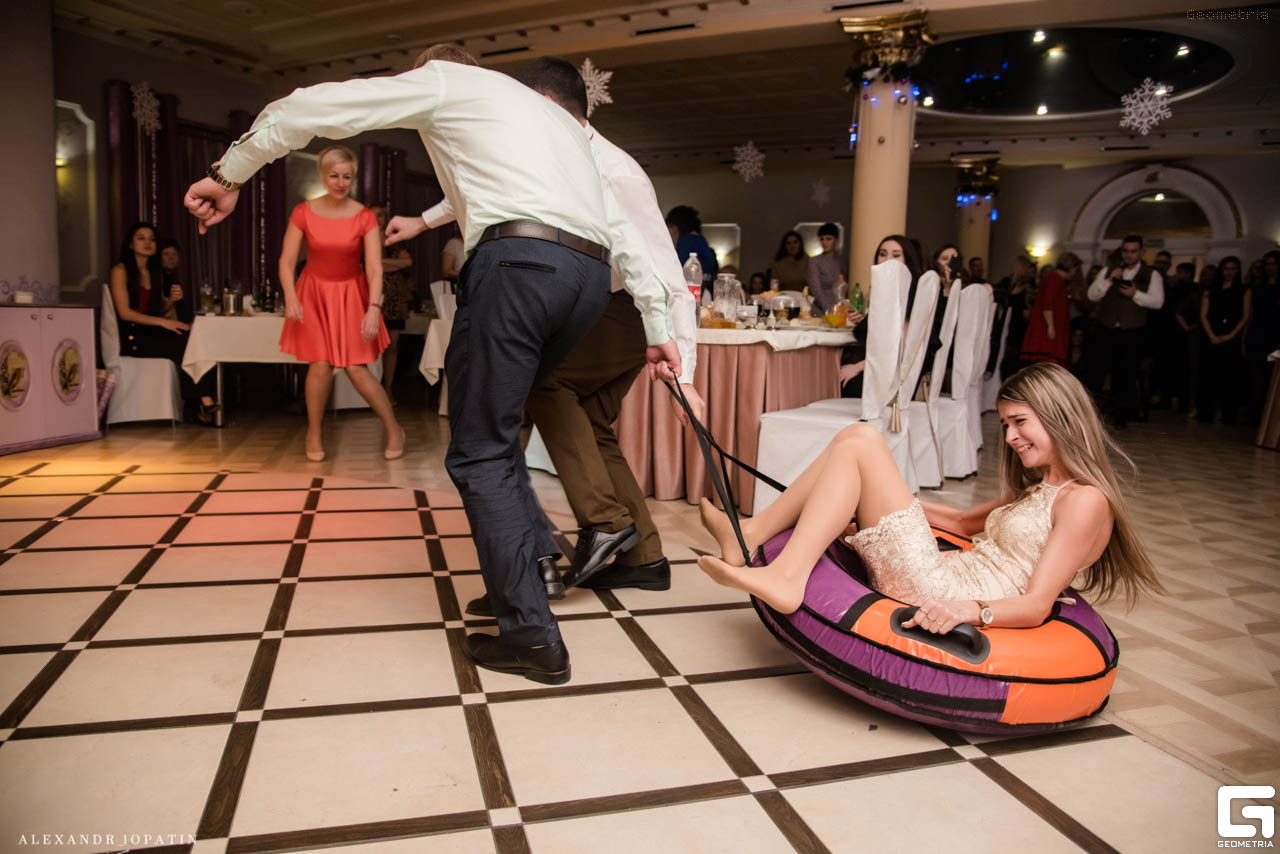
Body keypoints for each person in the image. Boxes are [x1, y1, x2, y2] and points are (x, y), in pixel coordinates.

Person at [187, 43, 682, 685]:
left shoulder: (446, 82)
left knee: (481, 451)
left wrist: (227, 175)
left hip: (520, 266)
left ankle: (532, 636)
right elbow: (623, 231)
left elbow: (309, 107)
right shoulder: (554, 121)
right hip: (587, 279)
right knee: (503, 431)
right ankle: (528, 579)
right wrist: (658, 324)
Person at [396, 57, 705, 609]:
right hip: (598, 303)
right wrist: (423, 221)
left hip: (626, 309)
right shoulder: (554, 149)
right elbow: (476, 185)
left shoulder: (615, 170)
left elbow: (667, 272)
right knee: (589, 422)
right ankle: (643, 557)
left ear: (547, 105)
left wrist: (687, 373)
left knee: (542, 382)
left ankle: (599, 527)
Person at [696, 362, 1162, 627]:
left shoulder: (1085, 500)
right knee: (855, 443)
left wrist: (965, 611)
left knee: (862, 440)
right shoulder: (1042, 488)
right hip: (944, 571)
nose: (1011, 437)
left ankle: (784, 574)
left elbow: (1038, 604)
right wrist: (864, 497)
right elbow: (960, 523)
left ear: (1061, 417)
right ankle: (749, 534)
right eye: (1006, 425)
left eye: (1020, 422)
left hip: (948, 590)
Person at [276, 146, 403, 462]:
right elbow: (287, 260)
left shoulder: (364, 216)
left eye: (347, 176)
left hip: (352, 294)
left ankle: (394, 429)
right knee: (319, 364)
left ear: (353, 177)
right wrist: (290, 295)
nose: (340, 182)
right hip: (313, 293)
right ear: (322, 175)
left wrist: (373, 308)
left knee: (356, 369)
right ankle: (314, 433)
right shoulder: (303, 212)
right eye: (334, 175)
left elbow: (374, 268)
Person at [108, 222, 218, 423]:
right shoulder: (120, 270)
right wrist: (163, 323)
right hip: (132, 336)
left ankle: (202, 401)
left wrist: (171, 301)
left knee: (196, 339)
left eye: (152, 239)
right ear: (131, 244)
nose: (147, 243)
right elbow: (125, 313)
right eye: (141, 238)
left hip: (150, 331)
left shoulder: (154, 272)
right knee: (185, 343)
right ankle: (203, 401)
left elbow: (156, 310)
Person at [1086, 235, 1164, 428]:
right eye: (1126, 251)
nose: (1129, 255)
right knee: (1096, 372)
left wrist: (1135, 294)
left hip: (1132, 332)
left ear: (1141, 252)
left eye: (1133, 251)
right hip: (1106, 329)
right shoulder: (1108, 270)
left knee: (1125, 375)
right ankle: (1089, 416)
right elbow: (1092, 295)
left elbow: (1158, 302)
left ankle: (1121, 417)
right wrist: (1108, 281)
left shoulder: (1151, 274)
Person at [1197, 255, 1251, 425]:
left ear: (1238, 270)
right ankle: (1205, 412)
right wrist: (1211, 335)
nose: (1229, 272)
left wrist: (1231, 335)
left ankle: (1228, 414)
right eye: (1226, 268)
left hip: (1231, 337)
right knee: (1208, 376)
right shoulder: (1211, 290)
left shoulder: (1244, 290)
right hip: (1211, 336)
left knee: (1230, 378)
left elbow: (1245, 316)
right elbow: (1203, 315)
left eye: (1233, 269)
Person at [369, 205, 414, 398]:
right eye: (372, 215)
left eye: (380, 215)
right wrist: (390, 265)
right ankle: (371, 391)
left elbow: (407, 262)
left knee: (392, 345)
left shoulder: (394, 240)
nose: (376, 219)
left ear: (386, 218)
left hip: (395, 298)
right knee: (370, 345)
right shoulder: (361, 239)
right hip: (370, 296)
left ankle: (387, 388)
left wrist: (377, 264)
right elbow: (362, 265)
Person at [1021, 252, 1078, 367]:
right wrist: (1050, 326)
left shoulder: (1057, 280)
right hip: (1047, 332)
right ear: (1071, 268)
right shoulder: (1054, 279)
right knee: (1046, 363)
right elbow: (1047, 303)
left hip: (1052, 329)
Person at [1246, 251, 1280, 421]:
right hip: (1257, 334)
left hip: (1274, 336)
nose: (1270, 268)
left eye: (1274, 264)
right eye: (1268, 264)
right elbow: (1250, 314)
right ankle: (1256, 415)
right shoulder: (1257, 287)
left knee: (1271, 378)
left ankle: (1269, 419)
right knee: (1256, 377)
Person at [666, 205, 717, 295]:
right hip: (707, 293)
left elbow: (676, 274)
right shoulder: (703, 243)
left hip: (690, 293)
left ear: (674, 228)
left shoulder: (684, 243)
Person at [806, 222, 843, 313]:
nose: (824, 242)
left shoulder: (841, 261)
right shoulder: (814, 261)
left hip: (840, 309)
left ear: (836, 240)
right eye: (822, 239)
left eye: (828, 239)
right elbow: (816, 290)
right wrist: (829, 310)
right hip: (821, 310)